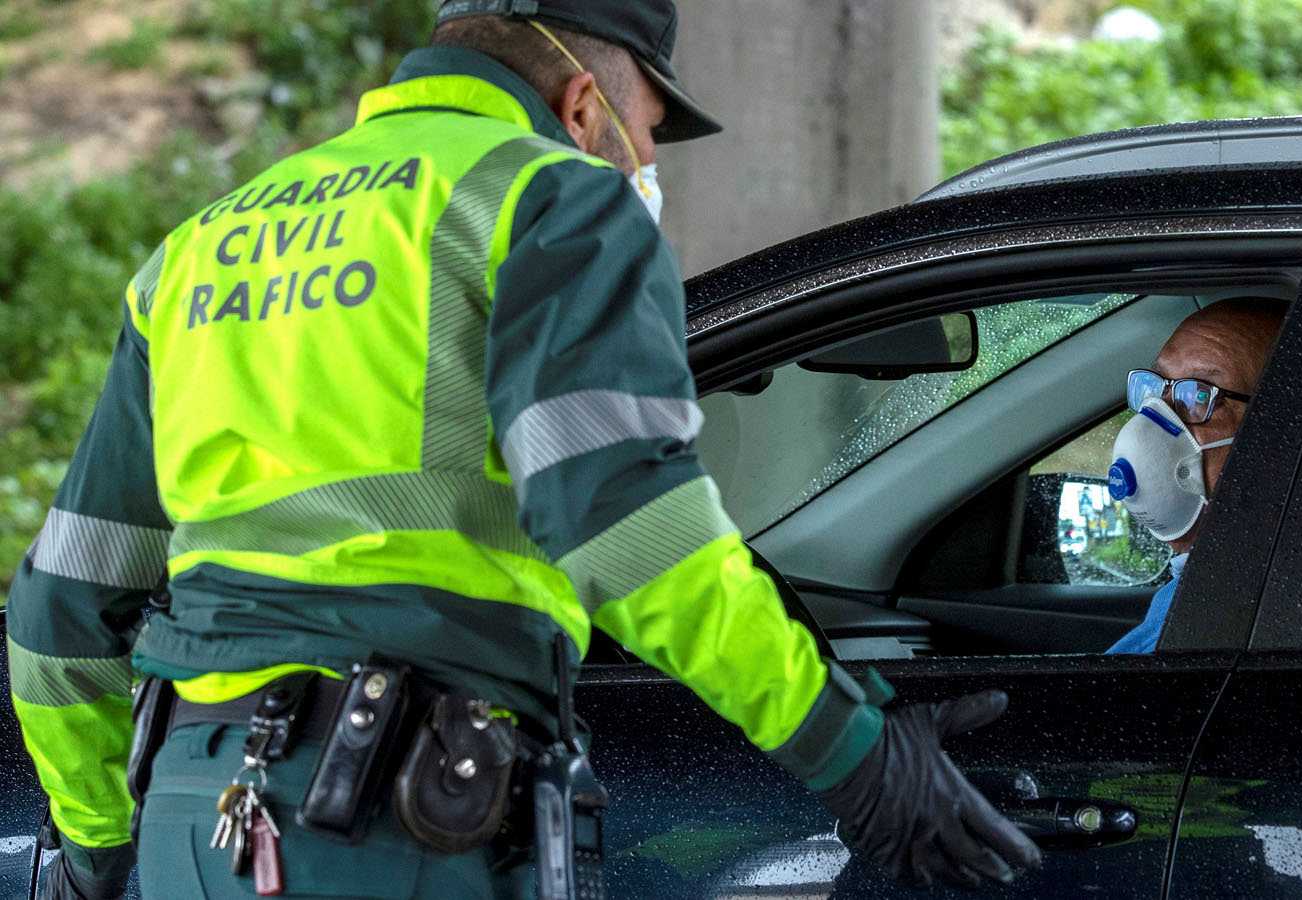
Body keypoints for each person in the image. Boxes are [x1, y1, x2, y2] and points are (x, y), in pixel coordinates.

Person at [5, 2, 1041, 896]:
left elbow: (59, 613)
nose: (642, 161)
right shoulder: (550, 199)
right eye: (647, 129)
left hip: (196, 817)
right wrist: (853, 754)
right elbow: (628, 530)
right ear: (584, 102)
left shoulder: (202, 248)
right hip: (391, 818)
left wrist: (98, 850)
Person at [1105, 298, 1289, 654]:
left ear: (1278, 435)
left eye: (1199, 395)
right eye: (1156, 388)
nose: (1153, 423)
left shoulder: (1213, 627)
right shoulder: (1207, 589)